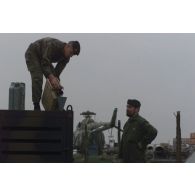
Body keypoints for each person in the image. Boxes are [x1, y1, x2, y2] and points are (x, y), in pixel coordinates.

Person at [25, 37, 80, 110]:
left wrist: (57, 83)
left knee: (55, 81)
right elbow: (45, 64)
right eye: (71, 52)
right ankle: (36, 105)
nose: (71, 56)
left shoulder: (67, 58)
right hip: (33, 53)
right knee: (38, 77)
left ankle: (56, 105)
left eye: (72, 54)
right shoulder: (54, 45)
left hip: (44, 58)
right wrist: (51, 77)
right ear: (67, 46)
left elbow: (56, 73)